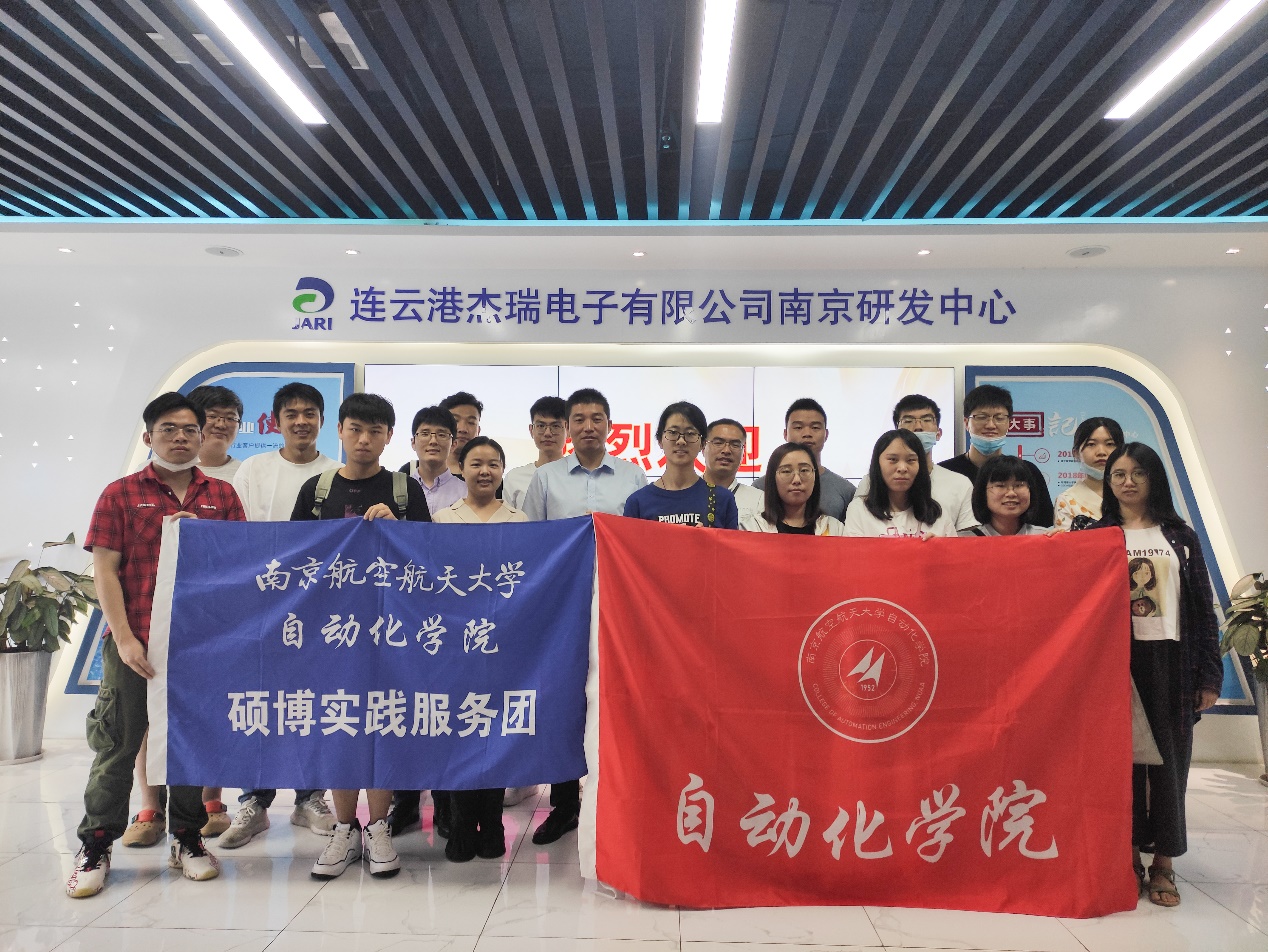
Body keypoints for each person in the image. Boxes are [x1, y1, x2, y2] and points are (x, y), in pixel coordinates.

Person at [67, 392, 247, 899]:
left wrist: (206, 542)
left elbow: (240, 567)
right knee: (117, 745)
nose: (180, 437)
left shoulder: (221, 497)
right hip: (135, 644)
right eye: (169, 428)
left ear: (202, 436)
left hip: (197, 647)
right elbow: (105, 571)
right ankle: (96, 845)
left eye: (190, 429)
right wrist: (124, 639)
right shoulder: (121, 493)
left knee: (188, 745)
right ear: (149, 436)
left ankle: (187, 839)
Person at [292, 393, 431, 881]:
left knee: (383, 724)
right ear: (340, 431)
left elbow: (427, 559)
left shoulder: (404, 491)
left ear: (389, 436)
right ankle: (345, 827)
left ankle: (379, 826)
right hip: (332, 631)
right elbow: (294, 557)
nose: (364, 439)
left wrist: (399, 531)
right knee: (341, 723)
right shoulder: (317, 490)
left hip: (389, 629)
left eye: (375, 431)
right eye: (355, 429)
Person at [1078, 442, 1221, 908]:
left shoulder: (1179, 535)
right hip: (1113, 661)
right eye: (1119, 474)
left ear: (1154, 478)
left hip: (1172, 661)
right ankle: (1125, 855)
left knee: (1169, 764)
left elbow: (1202, 609)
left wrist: (1209, 675)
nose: (1128, 482)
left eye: (1138, 473)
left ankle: (1163, 862)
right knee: (1120, 764)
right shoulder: (1097, 534)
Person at [523, 387, 647, 844]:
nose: (588, 426)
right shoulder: (546, 479)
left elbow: (641, 543)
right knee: (564, 699)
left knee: (615, 696)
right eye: (579, 419)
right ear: (568, 427)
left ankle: (616, 796)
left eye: (597, 418)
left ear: (610, 425)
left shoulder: (633, 477)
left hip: (618, 601)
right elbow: (533, 543)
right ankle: (564, 805)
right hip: (563, 604)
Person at [220, 383, 339, 848]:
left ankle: (311, 797)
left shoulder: (335, 473)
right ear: (276, 421)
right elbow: (236, 537)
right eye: (291, 414)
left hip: (320, 608)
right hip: (263, 605)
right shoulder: (253, 469)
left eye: (310, 413)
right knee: (262, 701)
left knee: (314, 701)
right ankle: (254, 801)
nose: (301, 422)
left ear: (322, 421)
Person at [431, 436, 527, 862]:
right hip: (455, 645)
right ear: (462, 469)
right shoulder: (442, 519)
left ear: (502, 470)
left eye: (493, 464)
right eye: (476, 463)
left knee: (495, 733)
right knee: (458, 734)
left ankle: (491, 824)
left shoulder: (520, 520)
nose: (484, 471)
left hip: (503, 644)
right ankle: (460, 824)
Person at [856, 395, 977, 531]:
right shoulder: (870, 482)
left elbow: (966, 539)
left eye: (927, 420)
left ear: (938, 433)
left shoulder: (960, 483)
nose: (918, 427)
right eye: (908, 420)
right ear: (897, 432)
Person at [938, 385, 1054, 527]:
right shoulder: (944, 472)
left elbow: (1043, 524)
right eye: (982, 417)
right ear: (966, 423)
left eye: (999, 418)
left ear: (1009, 423)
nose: (991, 425)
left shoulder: (1027, 471)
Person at [625, 402, 739, 529]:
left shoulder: (722, 498)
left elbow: (731, 542)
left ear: (702, 443)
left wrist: (706, 538)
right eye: (673, 432)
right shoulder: (638, 502)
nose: (681, 441)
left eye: (690, 434)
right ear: (660, 440)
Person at [754, 398, 855, 520]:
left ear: (826, 435)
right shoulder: (760, 487)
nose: (807, 433)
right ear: (785, 434)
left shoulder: (845, 490)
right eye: (798, 427)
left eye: (815, 427)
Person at [844, 430, 957, 538]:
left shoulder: (938, 513)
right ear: (877, 464)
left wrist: (940, 547)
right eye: (893, 459)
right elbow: (853, 551)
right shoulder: (860, 510)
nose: (902, 468)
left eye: (911, 460)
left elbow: (956, 551)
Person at [740, 442, 845, 536]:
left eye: (804, 470)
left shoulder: (834, 529)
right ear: (772, 478)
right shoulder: (752, 529)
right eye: (786, 471)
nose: (797, 480)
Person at [1054, 416, 1124, 530]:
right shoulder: (1067, 500)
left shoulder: (1133, 491)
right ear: (1076, 453)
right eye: (1091, 444)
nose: (1101, 452)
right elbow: (1066, 541)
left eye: (1109, 444)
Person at [502, 396, 567, 510]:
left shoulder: (579, 476)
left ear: (568, 430)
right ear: (531, 430)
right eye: (541, 426)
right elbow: (507, 520)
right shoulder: (514, 478)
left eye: (555, 426)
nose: (547, 433)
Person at [959, 455, 1049, 536]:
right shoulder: (966, 541)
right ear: (983, 492)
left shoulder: (1044, 538)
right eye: (1000, 486)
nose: (1011, 493)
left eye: (1019, 485)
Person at [399, 405, 466, 513]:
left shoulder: (467, 494)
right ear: (413, 442)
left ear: (453, 445)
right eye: (425, 434)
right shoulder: (399, 491)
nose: (433, 441)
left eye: (442, 435)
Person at [701, 418, 764, 524]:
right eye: (718, 443)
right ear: (703, 447)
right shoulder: (686, 493)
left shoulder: (759, 499)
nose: (726, 450)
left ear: (743, 453)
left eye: (735, 445)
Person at [186, 384, 243, 481]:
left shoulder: (247, 475)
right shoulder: (168, 473)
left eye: (230, 418)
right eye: (212, 416)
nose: (221, 425)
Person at [440, 391, 483, 477]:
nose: (463, 429)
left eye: (471, 422)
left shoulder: (486, 476)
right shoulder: (414, 471)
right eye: (455, 421)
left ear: (478, 431)